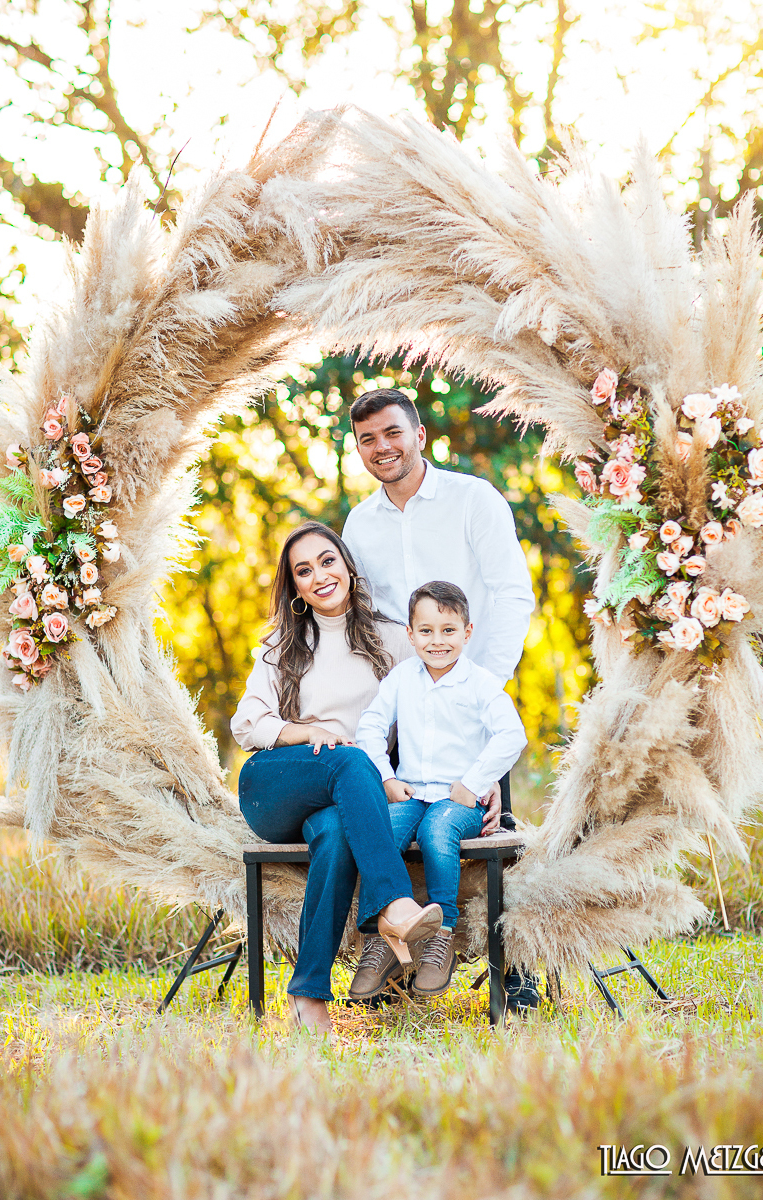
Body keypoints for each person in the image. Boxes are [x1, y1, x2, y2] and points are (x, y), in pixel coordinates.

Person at [231, 520, 444, 1038]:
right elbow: (246, 724)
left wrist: (476, 783)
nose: (320, 576)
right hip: (277, 786)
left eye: (327, 561)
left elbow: (437, 717)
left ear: (347, 565)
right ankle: (394, 904)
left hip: (346, 798)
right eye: (304, 571)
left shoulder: (392, 640)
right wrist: (307, 732)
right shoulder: (284, 643)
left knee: (337, 832)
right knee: (350, 760)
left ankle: (307, 996)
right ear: (295, 587)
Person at [351, 581, 527, 1000]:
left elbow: (512, 735)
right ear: (410, 635)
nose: (437, 641)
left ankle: (442, 935)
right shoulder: (402, 679)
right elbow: (369, 727)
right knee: (382, 832)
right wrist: (386, 778)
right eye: (426, 631)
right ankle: (382, 937)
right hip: (411, 792)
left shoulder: (479, 682)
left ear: (467, 632)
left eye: (448, 630)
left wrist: (473, 783)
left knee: (436, 831)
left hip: (457, 801)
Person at [342, 387, 535, 686]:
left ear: (420, 436)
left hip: (472, 690)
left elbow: (513, 593)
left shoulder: (474, 499)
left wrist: (488, 684)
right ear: (359, 451)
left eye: (393, 433)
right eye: (368, 439)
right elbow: (360, 615)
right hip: (398, 697)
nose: (382, 447)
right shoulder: (358, 524)